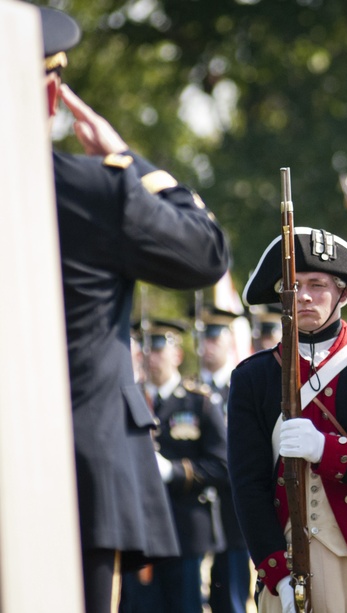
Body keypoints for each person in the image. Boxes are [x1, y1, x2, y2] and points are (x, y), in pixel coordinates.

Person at [39, 8, 230, 612]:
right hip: (78, 476)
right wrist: (131, 164)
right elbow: (206, 251)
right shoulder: (93, 189)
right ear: (51, 94)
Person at [228, 227, 347, 612]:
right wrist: (276, 573)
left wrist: (326, 450)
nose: (302, 296)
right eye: (292, 285)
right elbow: (248, 487)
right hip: (287, 563)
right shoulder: (253, 377)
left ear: (343, 292)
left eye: (317, 284)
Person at [120, 319, 229, 613]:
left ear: (177, 355)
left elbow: (222, 465)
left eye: (159, 348)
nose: (150, 356)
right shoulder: (129, 399)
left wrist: (172, 470)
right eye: (146, 349)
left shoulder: (199, 402)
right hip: (140, 530)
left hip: (184, 528)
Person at [194, 306, 254, 613]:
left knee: (232, 600)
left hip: (233, 513)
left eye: (216, 336)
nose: (208, 343)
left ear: (231, 340)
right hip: (194, 512)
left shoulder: (242, 388)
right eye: (204, 335)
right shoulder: (188, 392)